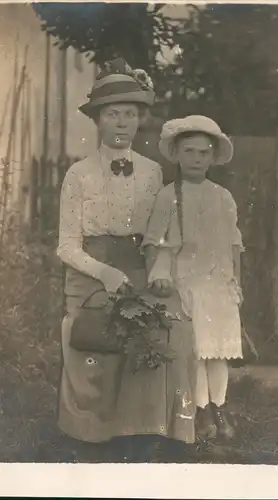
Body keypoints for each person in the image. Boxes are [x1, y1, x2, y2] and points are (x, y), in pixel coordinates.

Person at [57, 58, 196, 461]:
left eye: (130, 115)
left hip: (139, 269)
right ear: (98, 121)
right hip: (90, 276)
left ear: (140, 121)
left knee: (172, 322)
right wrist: (106, 273)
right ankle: (94, 433)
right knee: (100, 334)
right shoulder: (78, 174)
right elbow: (66, 246)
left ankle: (149, 429)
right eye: (113, 114)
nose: (122, 123)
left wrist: (157, 267)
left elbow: (162, 237)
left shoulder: (154, 172)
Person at [142, 115, 245, 442]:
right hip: (186, 282)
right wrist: (159, 275)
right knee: (198, 349)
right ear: (176, 154)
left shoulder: (223, 197)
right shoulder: (168, 196)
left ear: (213, 157)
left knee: (219, 351)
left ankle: (220, 406)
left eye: (203, 153)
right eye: (189, 151)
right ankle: (200, 410)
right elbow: (155, 243)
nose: (197, 159)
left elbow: (233, 244)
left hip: (219, 284)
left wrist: (236, 283)